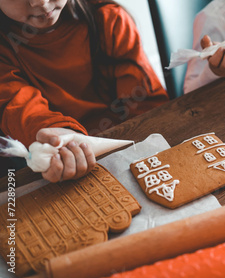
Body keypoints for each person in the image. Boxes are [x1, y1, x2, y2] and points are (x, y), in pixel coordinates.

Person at [0, 0, 168, 182]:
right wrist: (60, 136)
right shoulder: (5, 49)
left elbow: (146, 105)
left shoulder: (108, 18)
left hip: (132, 149)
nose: (40, 2)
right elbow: (19, 108)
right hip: (59, 167)